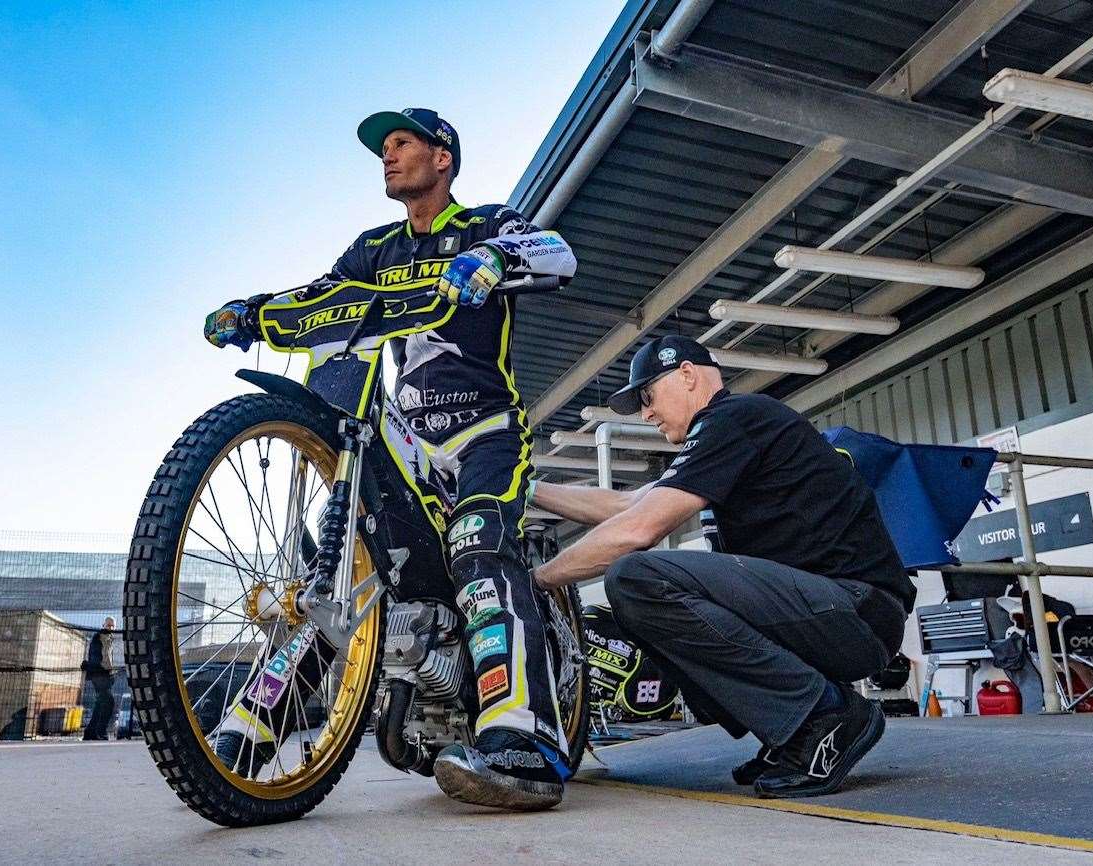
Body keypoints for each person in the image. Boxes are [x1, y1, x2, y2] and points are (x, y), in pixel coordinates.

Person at [203, 108, 578, 810]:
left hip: (484, 435)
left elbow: (558, 251)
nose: (388, 155)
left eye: (403, 143)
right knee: (344, 567)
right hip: (402, 441)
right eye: (384, 148)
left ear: (443, 158)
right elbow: (322, 297)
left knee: (479, 552)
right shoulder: (373, 248)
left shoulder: (485, 223)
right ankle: (249, 731)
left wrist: (495, 259)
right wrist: (251, 311)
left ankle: (522, 743)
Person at [531, 336, 915, 798]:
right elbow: (627, 504)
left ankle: (824, 717)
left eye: (647, 397)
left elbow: (637, 530)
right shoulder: (732, 431)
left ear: (688, 374)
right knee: (636, 605)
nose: (646, 414)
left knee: (634, 579)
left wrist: (536, 581)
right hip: (835, 611)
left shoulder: (734, 417)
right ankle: (790, 732)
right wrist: (525, 489)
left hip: (855, 609)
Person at [83, 617, 118, 741]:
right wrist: (98, 670)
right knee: (109, 702)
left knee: (100, 705)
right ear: (103, 625)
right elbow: (95, 657)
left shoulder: (110, 639)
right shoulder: (98, 638)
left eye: (112, 626)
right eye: (108, 625)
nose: (110, 628)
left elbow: (107, 658)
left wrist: (111, 672)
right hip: (99, 675)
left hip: (105, 676)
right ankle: (100, 732)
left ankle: (90, 733)